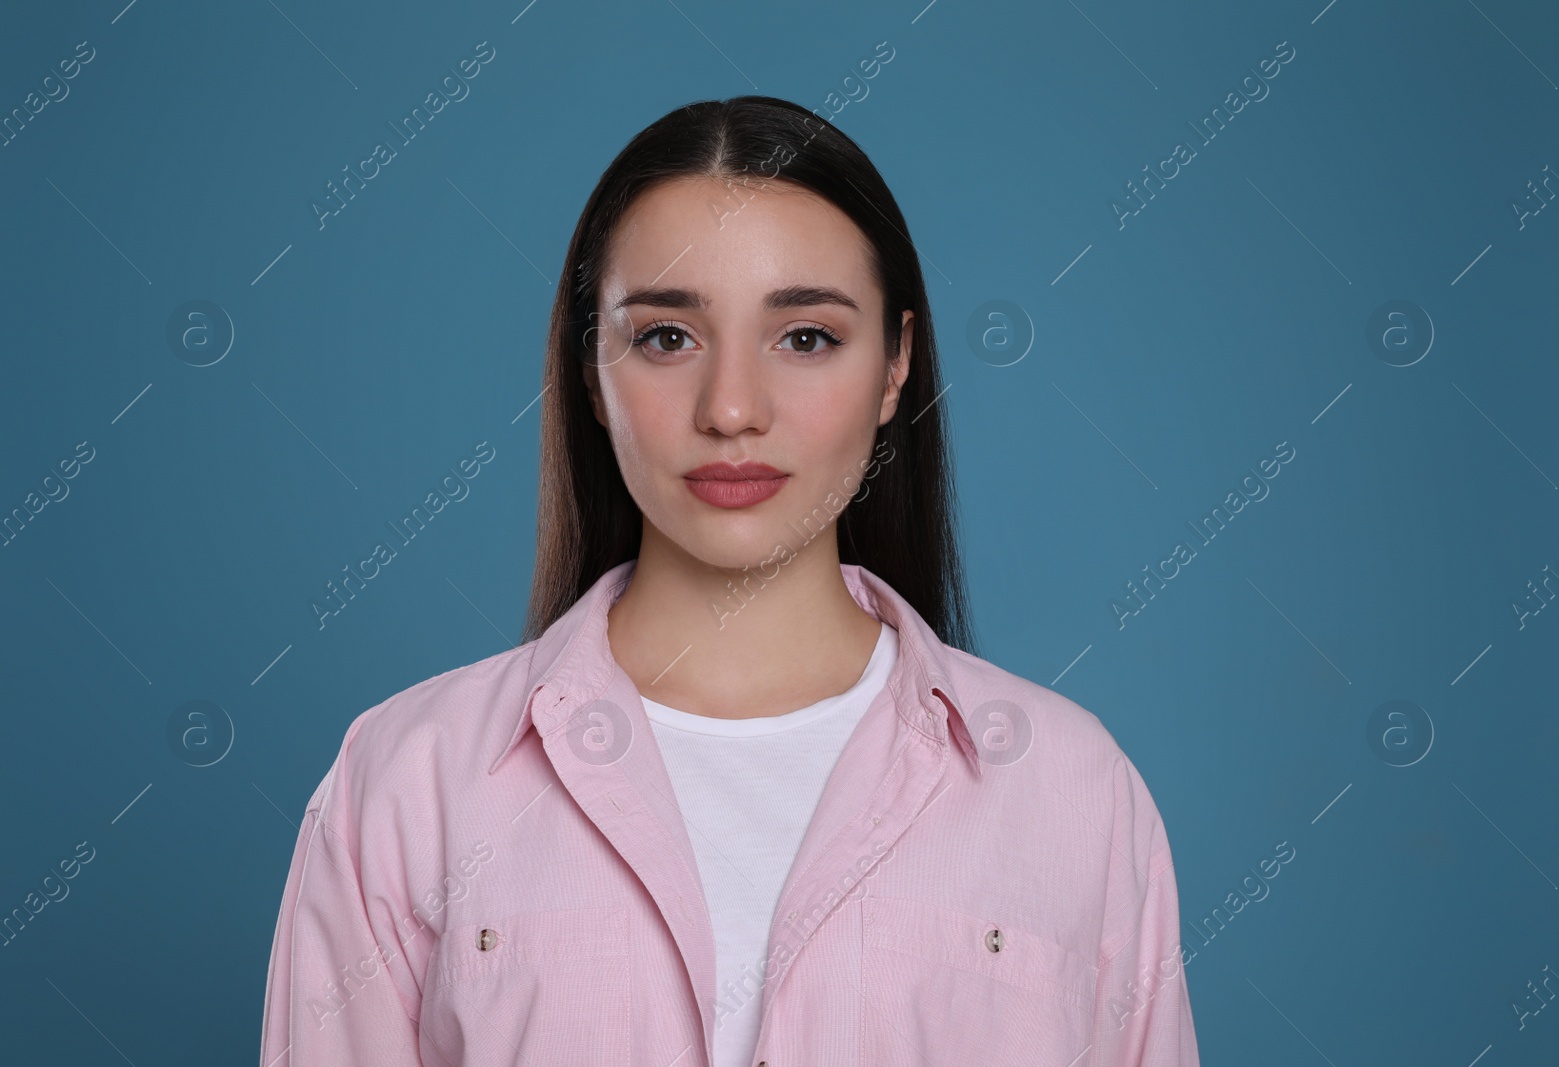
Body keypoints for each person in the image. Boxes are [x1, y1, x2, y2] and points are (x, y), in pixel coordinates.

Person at [259, 95, 1200, 1067]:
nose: (732, 407)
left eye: (805, 337)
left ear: (895, 365)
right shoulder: (404, 786)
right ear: (592, 367)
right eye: (668, 335)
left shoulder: (1070, 790)